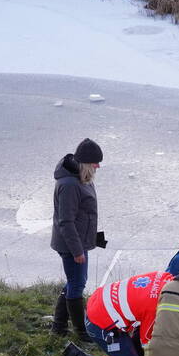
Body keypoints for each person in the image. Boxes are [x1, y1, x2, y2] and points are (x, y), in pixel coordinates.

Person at [60, 270, 173, 356]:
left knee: (137, 353)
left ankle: (126, 350)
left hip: (99, 302)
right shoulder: (154, 308)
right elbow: (148, 344)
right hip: (100, 324)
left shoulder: (165, 276)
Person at [50, 138, 104, 342]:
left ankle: (59, 326)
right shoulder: (70, 184)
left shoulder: (81, 178)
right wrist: (77, 251)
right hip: (71, 245)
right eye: (95, 163)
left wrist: (92, 239)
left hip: (79, 241)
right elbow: (66, 221)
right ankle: (81, 332)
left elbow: (84, 214)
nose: (98, 166)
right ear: (86, 163)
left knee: (75, 281)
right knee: (77, 283)